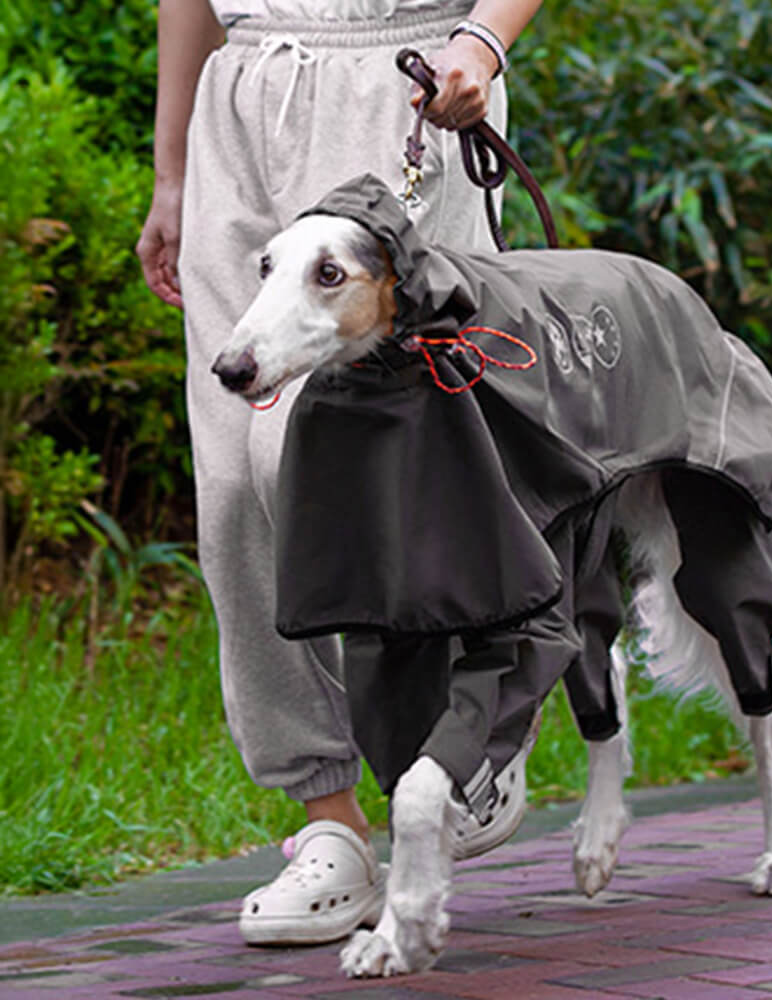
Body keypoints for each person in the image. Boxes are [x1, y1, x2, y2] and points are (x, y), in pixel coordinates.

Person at [136, 0, 543, 946]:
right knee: (234, 488)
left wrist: (483, 41)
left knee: (356, 462)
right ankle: (330, 820)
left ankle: (471, 723)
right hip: (236, 103)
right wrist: (172, 173)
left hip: (400, 85)